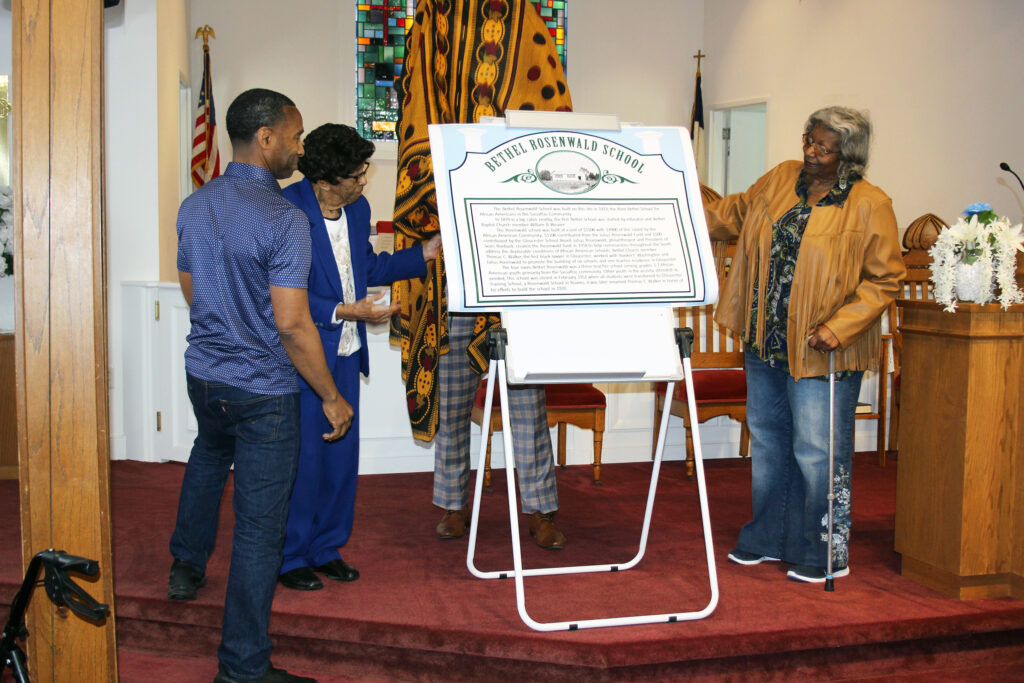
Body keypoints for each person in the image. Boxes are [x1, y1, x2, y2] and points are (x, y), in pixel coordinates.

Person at [169, 88, 353, 683]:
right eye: (296, 137)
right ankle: (243, 668)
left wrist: (226, 333)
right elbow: (294, 325)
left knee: (205, 460)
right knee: (258, 530)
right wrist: (329, 394)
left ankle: (184, 566)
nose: (301, 148)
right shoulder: (284, 218)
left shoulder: (194, 206)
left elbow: (192, 287)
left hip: (205, 375)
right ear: (266, 138)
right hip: (265, 393)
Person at [390, 0, 574, 548]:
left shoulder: (522, 17)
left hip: (512, 256)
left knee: (524, 394)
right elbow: (415, 109)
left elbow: (551, 116)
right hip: (451, 265)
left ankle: (541, 509)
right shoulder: (431, 16)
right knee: (451, 392)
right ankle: (452, 503)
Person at [704, 106, 906, 583]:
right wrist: (671, 199)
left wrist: (840, 327)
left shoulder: (869, 203)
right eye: (808, 140)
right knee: (771, 444)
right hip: (765, 340)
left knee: (818, 452)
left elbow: (886, 278)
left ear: (848, 156)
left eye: (824, 147)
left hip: (824, 348)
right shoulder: (779, 180)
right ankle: (769, 538)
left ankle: (824, 552)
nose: (810, 152)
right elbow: (731, 214)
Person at [277, 123, 440, 591]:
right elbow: (275, 297)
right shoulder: (287, 211)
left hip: (348, 354)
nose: (363, 181)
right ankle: (290, 556)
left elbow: (365, 267)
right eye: (356, 175)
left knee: (341, 458)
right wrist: (342, 310)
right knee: (305, 460)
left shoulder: (356, 208)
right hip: (304, 358)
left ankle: (326, 548)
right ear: (325, 181)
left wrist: (423, 254)